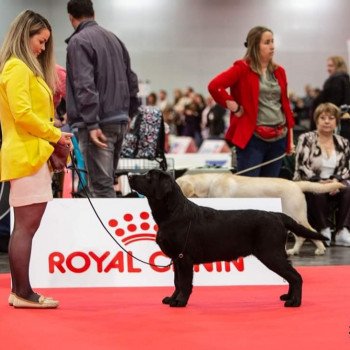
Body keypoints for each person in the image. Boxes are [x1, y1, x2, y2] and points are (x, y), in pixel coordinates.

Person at [0, 10, 72, 308]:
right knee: (26, 228)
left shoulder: (22, 68)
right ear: (25, 35)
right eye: (40, 41)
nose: (43, 48)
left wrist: (51, 133)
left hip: (32, 153)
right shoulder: (17, 68)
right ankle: (24, 293)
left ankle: (21, 291)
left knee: (25, 227)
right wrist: (55, 135)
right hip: (26, 155)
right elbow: (23, 115)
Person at [65, 0, 140, 197]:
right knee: (105, 183)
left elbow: (84, 84)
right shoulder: (114, 39)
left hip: (97, 124)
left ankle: (107, 228)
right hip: (118, 120)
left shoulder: (79, 41)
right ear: (93, 13)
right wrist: (129, 113)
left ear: (70, 17)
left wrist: (91, 123)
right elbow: (132, 79)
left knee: (100, 187)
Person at [208, 26, 295, 177]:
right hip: (253, 139)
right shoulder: (241, 68)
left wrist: (290, 139)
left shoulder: (279, 71)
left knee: (270, 189)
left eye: (273, 41)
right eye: (267, 42)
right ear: (255, 45)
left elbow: (285, 106)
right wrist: (233, 105)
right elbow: (215, 86)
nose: (272, 46)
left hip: (279, 138)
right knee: (248, 189)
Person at [294, 103, 350, 247]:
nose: (326, 121)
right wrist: (320, 181)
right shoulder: (306, 138)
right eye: (322, 118)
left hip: (335, 182)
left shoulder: (343, 142)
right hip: (310, 181)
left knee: (348, 188)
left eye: (331, 118)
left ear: (336, 121)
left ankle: (342, 231)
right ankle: (324, 229)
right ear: (316, 120)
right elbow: (302, 165)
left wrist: (335, 181)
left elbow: (345, 168)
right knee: (316, 188)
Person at [311, 56, 350, 131]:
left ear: (339, 66)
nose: (328, 69)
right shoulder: (345, 79)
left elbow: (332, 104)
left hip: (332, 122)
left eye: (331, 66)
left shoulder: (336, 81)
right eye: (328, 66)